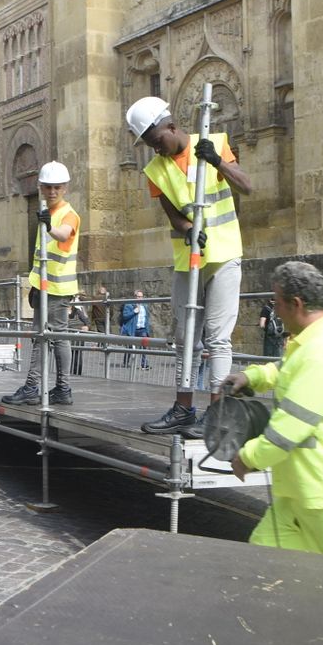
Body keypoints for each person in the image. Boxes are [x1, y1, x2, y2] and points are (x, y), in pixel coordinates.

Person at [223, 261, 323, 560]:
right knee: (266, 561)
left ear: (296, 304)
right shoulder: (311, 342)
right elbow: (287, 370)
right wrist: (252, 377)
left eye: (277, 304)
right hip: (301, 490)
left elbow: (288, 430)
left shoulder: (322, 351)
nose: (274, 311)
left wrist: (247, 457)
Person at [125, 95, 255, 435]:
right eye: (149, 145)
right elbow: (174, 217)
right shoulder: (155, 170)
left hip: (224, 254)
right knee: (185, 338)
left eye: (156, 142)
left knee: (218, 338)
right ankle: (183, 409)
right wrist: (187, 230)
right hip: (189, 260)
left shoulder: (214, 142)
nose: (155, 150)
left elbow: (247, 186)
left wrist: (218, 162)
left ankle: (217, 412)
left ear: (170, 127)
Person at [2, 160, 79, 406]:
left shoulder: (67, 214)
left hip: (57, 287)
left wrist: (48, 225)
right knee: (47, 337)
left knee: (49, 337)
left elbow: (64, 234)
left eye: (57, 187)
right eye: (48, 187)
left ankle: (36, 387)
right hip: (45, 286)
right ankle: (57, 389)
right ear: (41, 187)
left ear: (65, 187)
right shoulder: (50, 212)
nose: (52, 191)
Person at [119, 290, 150, 369]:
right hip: (132, 329)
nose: (140, 298)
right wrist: (134, 311)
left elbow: (147, 318)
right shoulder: (129, 305)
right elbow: (125, 316)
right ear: (135, 297)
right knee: (130, 347)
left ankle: (144, 364)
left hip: (142, 329)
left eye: (141, 297)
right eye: (138, 296)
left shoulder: (145, 306)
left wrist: (147, 330)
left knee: (144, 347)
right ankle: (126, 362)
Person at [69, 294, 90, 375]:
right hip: (67, 337)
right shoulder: (62, 312)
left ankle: (77, 373)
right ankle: (70, 372)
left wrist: (86, 326)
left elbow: (87, 321)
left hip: (77, 337)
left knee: (77, 356)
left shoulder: (77, 310)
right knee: (69, 357)